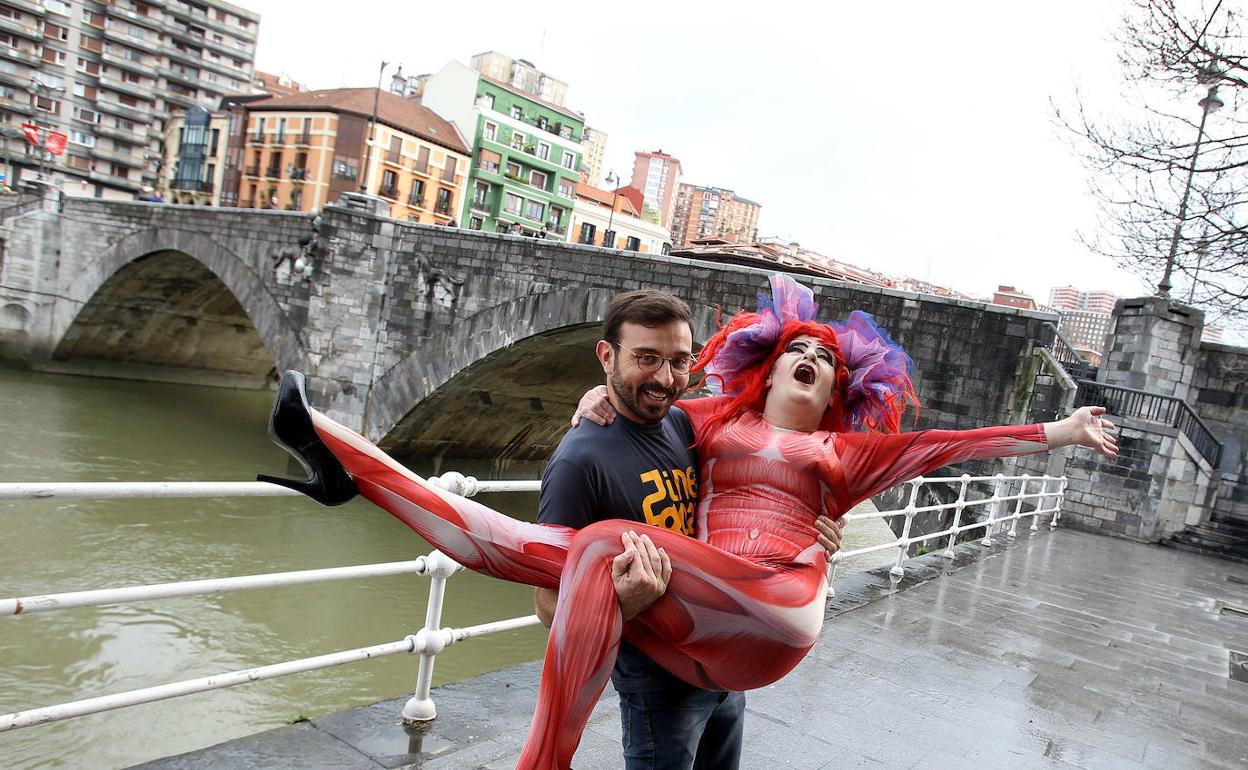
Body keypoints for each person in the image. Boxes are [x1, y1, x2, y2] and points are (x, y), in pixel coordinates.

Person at [257, 274, 1118, 770]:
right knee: (588, 554)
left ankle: (353, 468)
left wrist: (1060, 432)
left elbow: (952, 446)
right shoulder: (703, 423)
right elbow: (641, 411)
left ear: (840, 392)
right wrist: (589, 402)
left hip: (780, 605)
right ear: (765, 372)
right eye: (796, 351)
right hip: (696, 640)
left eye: (825, 358)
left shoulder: (842, 456)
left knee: (592, 547)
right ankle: (350, 470)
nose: (811, 357)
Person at [533, 289, 844, 770]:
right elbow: (549, 609)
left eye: (679, 361)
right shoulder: (579, 461)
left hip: (725, 668)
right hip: (657, 678)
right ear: (606, 355)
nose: (664, 378)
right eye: (646, 359)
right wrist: (624, 602)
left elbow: (761, 474)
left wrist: (818, 527)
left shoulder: (684, 424)